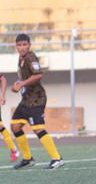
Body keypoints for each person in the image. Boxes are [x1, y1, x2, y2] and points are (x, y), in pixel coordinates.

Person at [10, 34, 64, 169]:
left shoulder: (31, 57)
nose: (22, 48)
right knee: (15, 126)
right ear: (16, 46)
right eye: (19, 45)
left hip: (36, 98)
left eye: (24, 45)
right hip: (26, 99)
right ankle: (28, 159)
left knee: (38, 128)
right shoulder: (21, 58)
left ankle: (57, 158)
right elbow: (26, 78)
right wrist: (19, 83)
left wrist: (21, 84)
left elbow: (38, 75)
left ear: (29, 45)